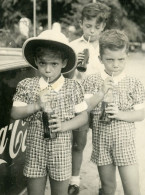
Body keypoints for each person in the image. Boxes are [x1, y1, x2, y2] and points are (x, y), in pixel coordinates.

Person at [11, 30, 88, 195]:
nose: (47, 70)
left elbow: (83, 117)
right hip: (34, 152)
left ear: (64, 62)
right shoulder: (28, 85)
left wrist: (64, 125)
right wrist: (37, 105)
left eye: (54, 64)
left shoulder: (73, 87)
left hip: (61, 152)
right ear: (36, 61)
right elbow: (16, 113)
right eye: (43, 63)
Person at [82, 29, 145, 195]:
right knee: (108, 187)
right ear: (100, 59)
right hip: (102, 142)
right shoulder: (92, 80)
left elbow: (140, 114)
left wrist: (120, 114)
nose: (115, 65)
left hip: (125, 144)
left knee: (132, 190)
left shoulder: (133, 83)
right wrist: (100, 93)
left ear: (127, 57)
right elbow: (84, 108)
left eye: (121, 59)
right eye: (110, 60)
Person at [66, 2, 111, 195]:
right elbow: (66, 76)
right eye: (88, 25)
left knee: (103, 144)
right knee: (79, 142)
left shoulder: (106, 48)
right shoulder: (73, 46)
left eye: (97, 27)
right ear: (81, 23)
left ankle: (104, 183)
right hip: (81, 102)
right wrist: (75, 67)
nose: (91, 30)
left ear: (103, 27)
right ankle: (74, 181)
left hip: (102, 100)